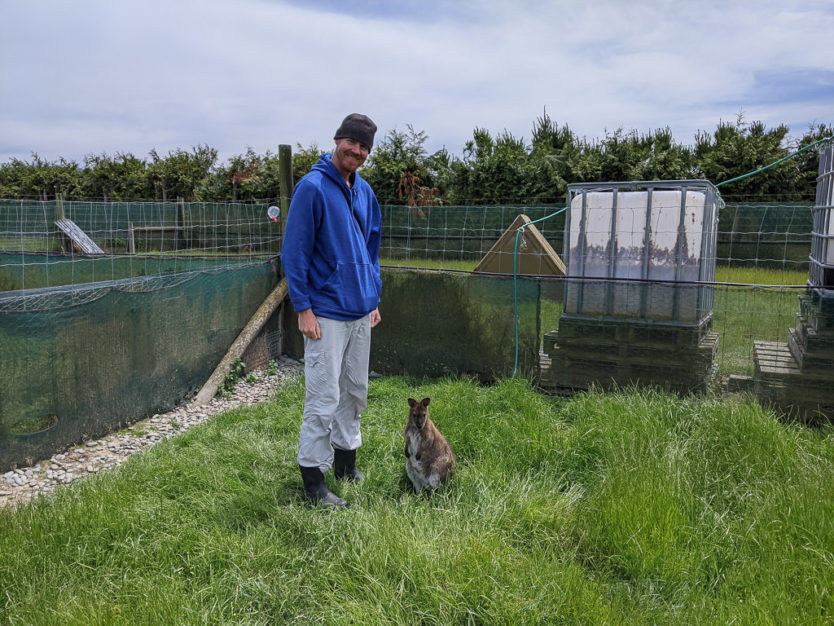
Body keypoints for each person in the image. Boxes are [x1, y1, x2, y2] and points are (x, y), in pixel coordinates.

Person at [281, 113, 382, 508]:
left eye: (363, 148)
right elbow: (295, 252)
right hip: (325, 312)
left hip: (361, 311)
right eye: (350, 143)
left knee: (355, 391)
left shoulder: (365, 193)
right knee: (323, 396)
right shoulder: (313, 188)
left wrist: (374, 299)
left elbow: (372, 250)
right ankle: (313, 481)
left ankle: (345, 463)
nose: (355, 152)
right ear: (337, 140)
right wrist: (303, 308)